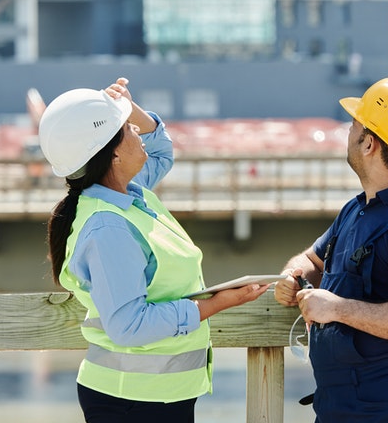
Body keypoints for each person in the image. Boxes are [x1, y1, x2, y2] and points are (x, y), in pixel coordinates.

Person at [37, 77, 270, 423]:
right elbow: (129, 326)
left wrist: (130, 109)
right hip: (131, 401)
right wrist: (219, 303)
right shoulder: (109, 227)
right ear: (113, 154)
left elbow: (161, 149)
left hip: (155, 396)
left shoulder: (132, 194)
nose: (136, 129)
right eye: (127, 128)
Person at [274, 77, 388, 422]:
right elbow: (312, 259)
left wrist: (337, 309)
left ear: (369, 144)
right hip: (341, 406)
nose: (348, 132)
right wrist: (293, 275)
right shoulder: (357, 209)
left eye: (353, 125)